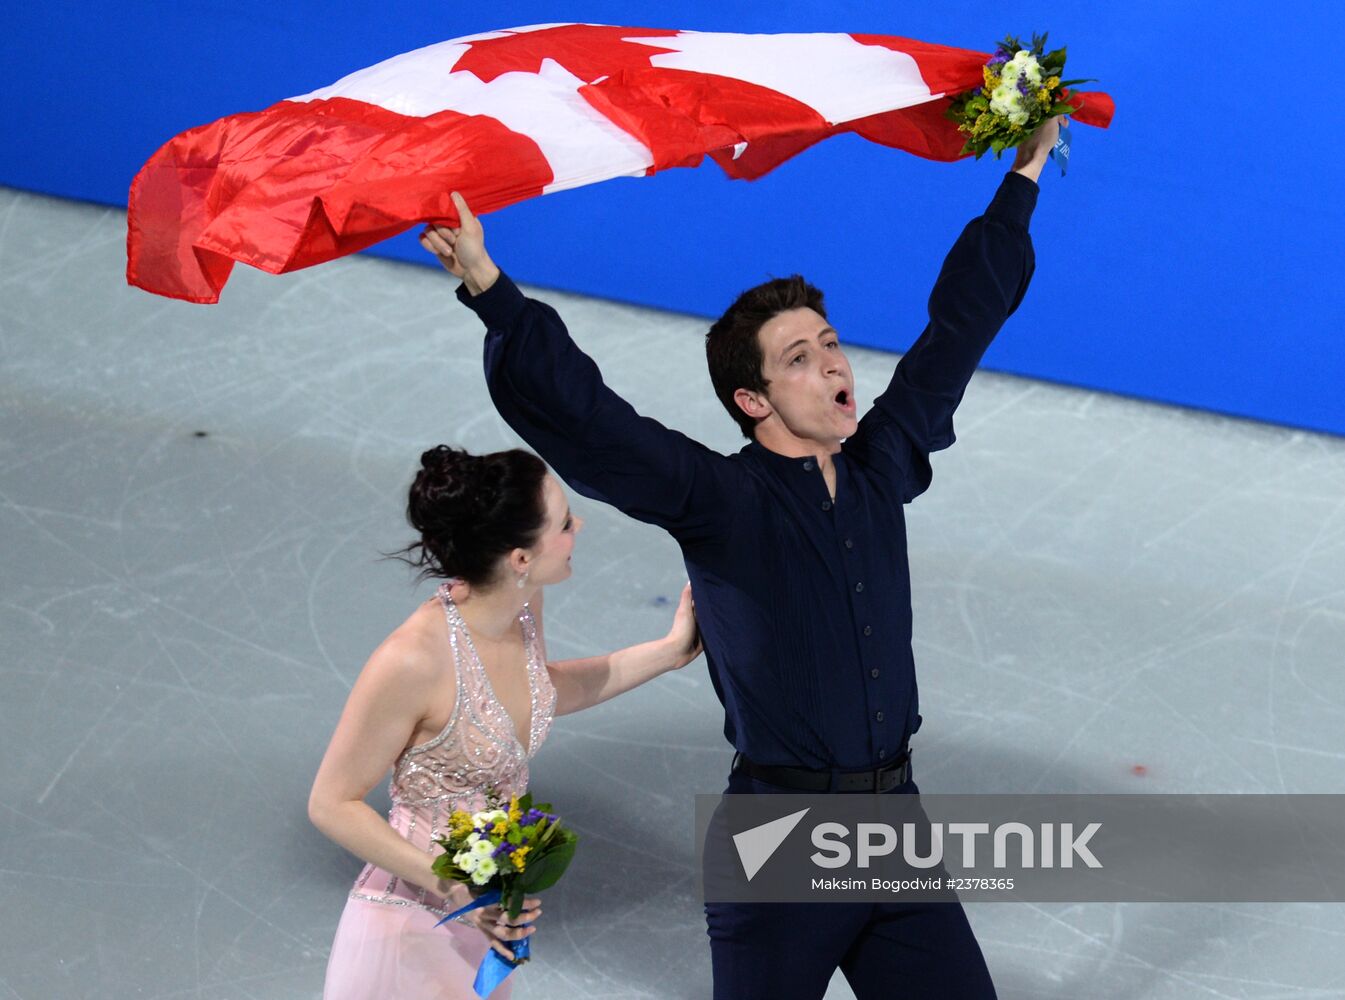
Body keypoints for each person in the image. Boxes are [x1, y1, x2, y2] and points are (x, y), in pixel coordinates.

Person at [421, 117, 1061, 999]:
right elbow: (591, 420)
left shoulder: (881, 466)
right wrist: (493, 292)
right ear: (752, 399)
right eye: (799, 357)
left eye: (830, 342)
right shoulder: (720, 501)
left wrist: (1023, 176)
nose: (831, 362)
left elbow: (957, 331)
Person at [309, 445, 702, 999]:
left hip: (484, 929)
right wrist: (453, 888)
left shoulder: (522, 609)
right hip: (407, 935)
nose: (579, 526)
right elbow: (331, 803)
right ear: (521, 558)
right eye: (564, 523)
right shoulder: (411, 661)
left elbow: (538, 693)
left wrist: (670, 651)